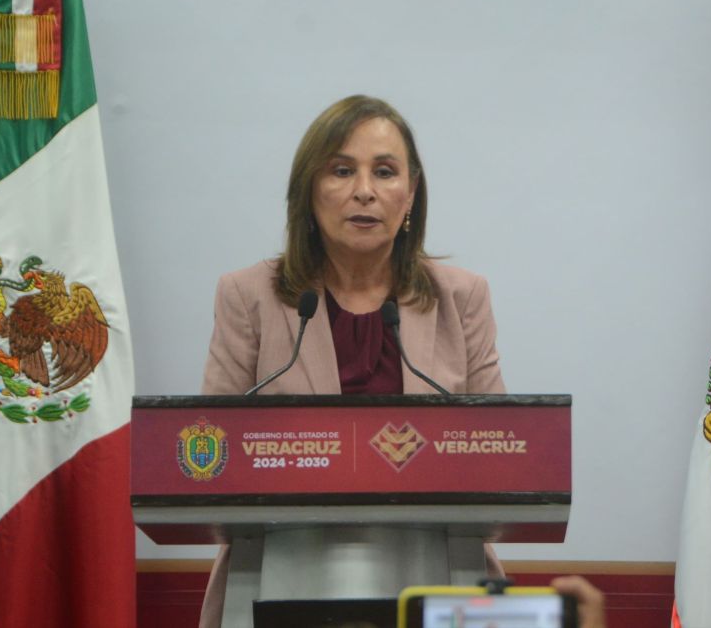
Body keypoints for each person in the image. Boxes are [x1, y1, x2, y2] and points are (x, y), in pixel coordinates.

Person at [198, 95, 506, 628]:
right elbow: (210, 457)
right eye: (342, 170)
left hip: (439, 572)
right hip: (279, 576)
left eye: (384, 172)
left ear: (411, 194)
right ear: (309, 190)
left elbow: (500, 456)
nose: (365, 190)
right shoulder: (249, 297)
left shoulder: (462, 298)